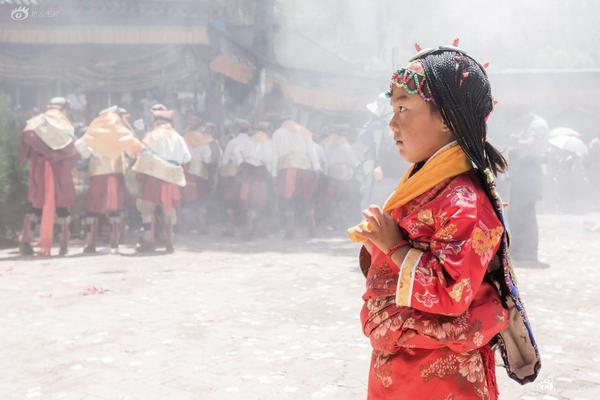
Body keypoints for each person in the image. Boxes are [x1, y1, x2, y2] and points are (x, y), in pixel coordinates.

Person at [348, 45, 540, 399]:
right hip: (399, 364)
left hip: (441, 375)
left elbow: (452, 291)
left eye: (404, 108)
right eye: (392, 110)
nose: (392, 124)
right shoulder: (426, 185)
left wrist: (393, 246)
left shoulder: (465, 202)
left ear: (448, 118)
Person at [18, 97, 80, 256]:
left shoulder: (35, 121)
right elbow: (72, 151)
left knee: (37, 203)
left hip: (40, 167)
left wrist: (43, 154)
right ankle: (63, 245)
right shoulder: (65, 124)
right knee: (63, 203)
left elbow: (26, 140)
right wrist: (56, 155)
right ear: (64, 108)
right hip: (59, 168)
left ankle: (26, 241)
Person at [75, 106, 141, 254]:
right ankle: (114, 244)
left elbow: (81, 149)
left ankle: (90, 243)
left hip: (97, 174)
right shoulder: (121, 131)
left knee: (92, 208)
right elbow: (133, 151)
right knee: (116, 209)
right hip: (116, 174)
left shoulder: (93, 132)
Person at [133, 104, 191, 252]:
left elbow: (142, 156)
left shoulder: (151, 135)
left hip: (153, 177)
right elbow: (187, 159)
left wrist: (139, 175)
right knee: (169, 210)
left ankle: (148, 240)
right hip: (171, 178)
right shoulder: (178, 137)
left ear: (155, 121)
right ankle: (170, 242)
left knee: (147, 211)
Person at [507, 113, 549, 266]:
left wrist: (516, 142)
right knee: (515, 213)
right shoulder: (526, 126)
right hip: (522, 174)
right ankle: (518, 251)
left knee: (525, 213)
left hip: (529, 172)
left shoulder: (537, 124)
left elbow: (533, 143)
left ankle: (528, 252)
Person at [272, 120, 322, 238]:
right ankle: (311, 225)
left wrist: (273, 172)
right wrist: (316, 167)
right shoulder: (305, 132)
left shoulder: (277, 133)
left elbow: (274, 154)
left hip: (286, 169)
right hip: (305, 169)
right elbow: (311, 151)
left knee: (288, 198)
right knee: (307, 197)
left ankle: (290, 229)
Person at [237, 122, 277, 237]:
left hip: (247, 172)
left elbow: (237, 152)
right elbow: (271, 159)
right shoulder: (269, 143)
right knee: (262, 201)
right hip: (260, 174)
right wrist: (272, 172)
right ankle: (254, 227)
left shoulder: (248, 140)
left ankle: (249, 226)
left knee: (246, 200)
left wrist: (242, 163)